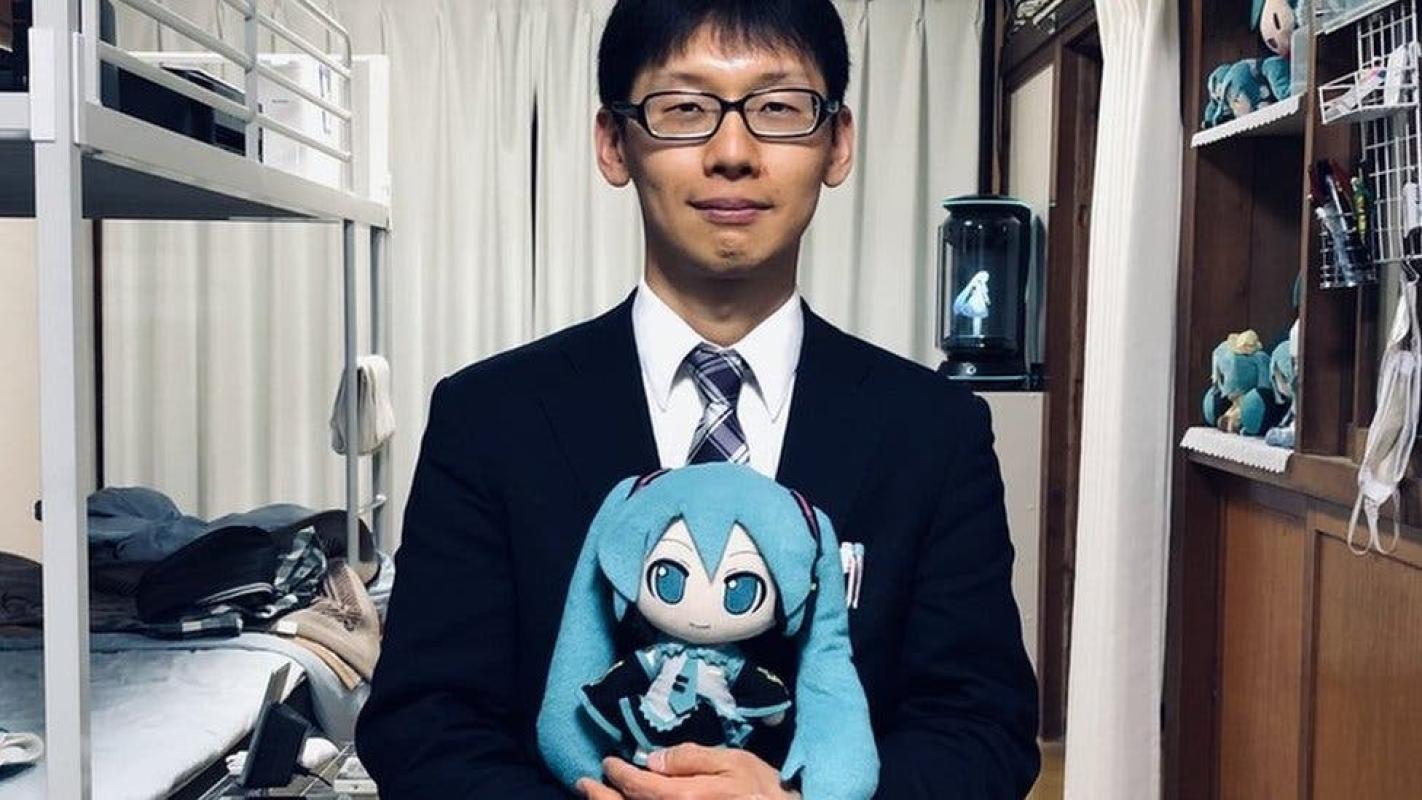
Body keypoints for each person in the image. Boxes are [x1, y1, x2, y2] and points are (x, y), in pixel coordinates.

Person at [355, 1, 1040, 798]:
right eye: (684, 108)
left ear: (838, 143)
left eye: (778, 108)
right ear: (614, 143)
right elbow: (423, 722)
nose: (733, 153)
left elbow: (981, 726)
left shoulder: (935, 429)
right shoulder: (488, 417)